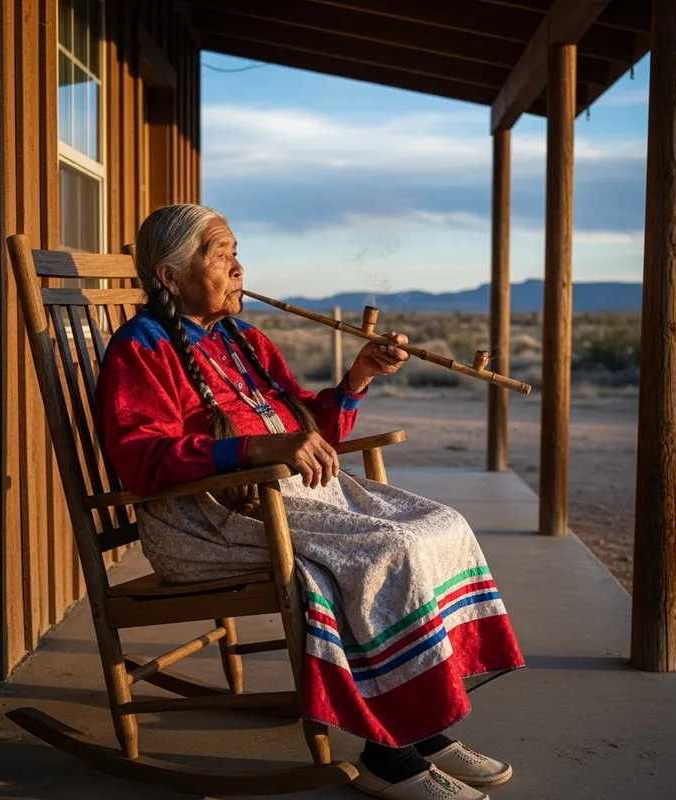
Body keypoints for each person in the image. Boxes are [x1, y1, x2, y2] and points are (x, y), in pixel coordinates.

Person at [95, 204, 525, 800]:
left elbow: (305, 426)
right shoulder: (140, 348)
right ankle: (389, 756)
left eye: (235, 251)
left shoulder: (244, 339)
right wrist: (252, 449)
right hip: (207, 518)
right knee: (386, 550)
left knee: (440, 523)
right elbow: (142, 460)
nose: (239, 266)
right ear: (169, 276)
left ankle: (425, 720)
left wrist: (357, 380)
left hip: (288, 495)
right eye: (220, 254)